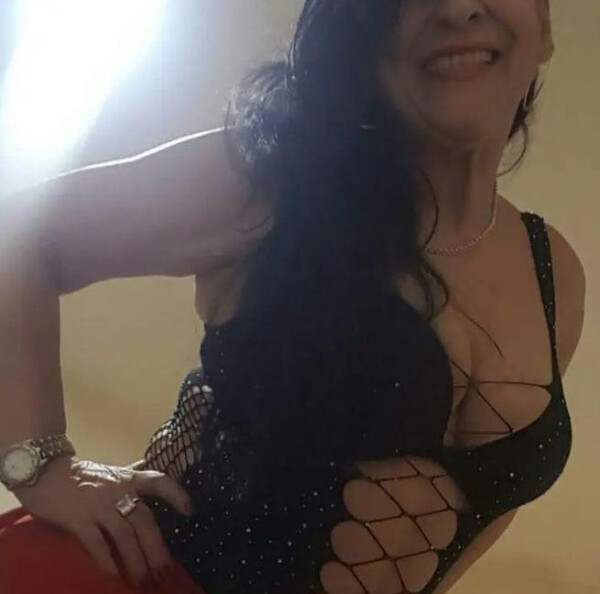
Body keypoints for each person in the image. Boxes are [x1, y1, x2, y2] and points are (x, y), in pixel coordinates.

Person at [0, 1, 587, 593]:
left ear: (543, 29)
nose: (457, 8)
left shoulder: (554, 272)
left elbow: (482, 506)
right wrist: (42, 467)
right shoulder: (280, 178)